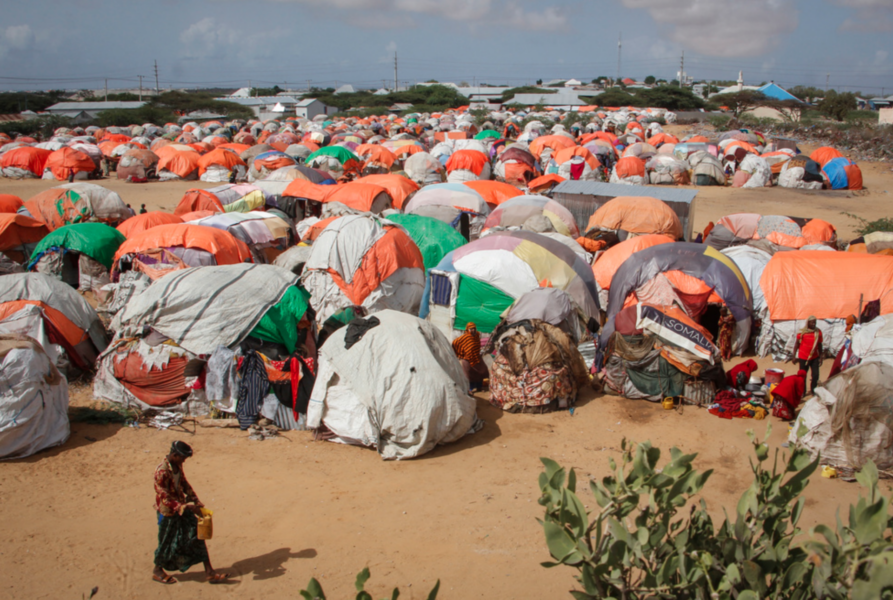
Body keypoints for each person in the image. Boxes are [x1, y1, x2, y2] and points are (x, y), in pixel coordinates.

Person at [153, 441, 227, 585]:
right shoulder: (161, 471)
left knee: (198, 535)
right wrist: (186, 507)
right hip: (168, 512)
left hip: (182, 508)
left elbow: (184, 483)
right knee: (165, 543)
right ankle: (157, 570)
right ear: (174, 455)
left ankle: (210, 572)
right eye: (183, 458)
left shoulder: (177, 465)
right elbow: (164, 496)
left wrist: (195, 499)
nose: (184, 461)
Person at [452, 322, 488, 392]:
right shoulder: (465, 337)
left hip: (476, 357)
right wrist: (460, 352)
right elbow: (455, 342)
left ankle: (479, 387)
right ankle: (469, 389)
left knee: (480, 372)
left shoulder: (477, 335)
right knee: (469, 374)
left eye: (474, 328)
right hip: (467, 359)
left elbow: (477, 345)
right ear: (467, 329)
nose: (473, 330)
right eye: (471, 329)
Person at [795, 316, 823, 393]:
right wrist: (793, 356)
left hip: (814, 357)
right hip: (803, 357)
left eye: (815, 322)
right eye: (812, 322)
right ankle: (803, 392)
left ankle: (813, 390)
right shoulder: (802, 332)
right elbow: (797, 344)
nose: (814, 324)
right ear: (808, 323)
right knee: (803, 376)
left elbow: (820, 345)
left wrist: (821, 357)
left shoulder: (818, 332)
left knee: (815, 375)